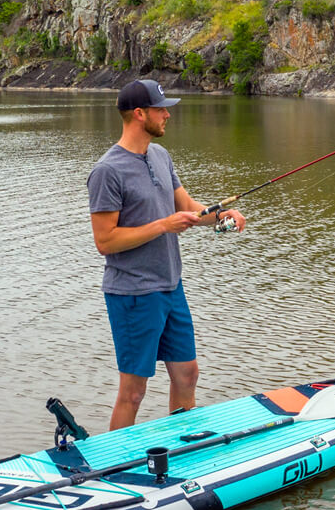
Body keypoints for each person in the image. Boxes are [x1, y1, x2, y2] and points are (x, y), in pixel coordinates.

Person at [87, 79, 246, 430]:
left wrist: (221, 216)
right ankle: (116, 467)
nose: (167, 115)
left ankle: (184, 447)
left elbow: (187, 207)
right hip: (132, 293)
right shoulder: (107, 171)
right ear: (140, 114)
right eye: (161, 109)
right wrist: (163, 225)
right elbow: (106, 241)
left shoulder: (160, 156)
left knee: (187, 374)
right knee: (133, 392)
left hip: (170, 286)